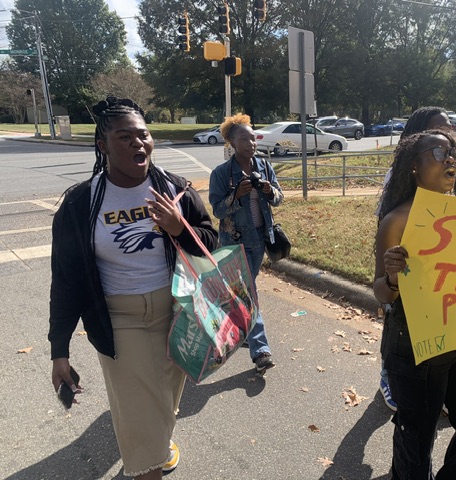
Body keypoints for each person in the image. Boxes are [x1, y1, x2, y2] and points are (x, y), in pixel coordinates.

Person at [48, 97, 218, 479]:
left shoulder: (175, 189)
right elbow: (67, 280)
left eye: (143, 135)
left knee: (165, 403)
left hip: (179, 314)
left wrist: (180, 228)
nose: (138, 144)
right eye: (124, 137)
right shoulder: (80, 203)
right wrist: (59, 349)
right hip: (120, 323)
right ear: (103, 145)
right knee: (142, 424)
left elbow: (211, 243)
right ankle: (148, 460)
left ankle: (156, 443)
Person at [374, 129, 456, 479]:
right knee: (416, 440)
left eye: (454, 155)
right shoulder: (397, 220)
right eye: (438, 153)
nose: (451, 160)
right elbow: (380, 293)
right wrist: (392, 277)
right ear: (414, 167)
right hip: (415, 343)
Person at [378, 106, 453, 412]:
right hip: (405, 291)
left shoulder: (450, 183)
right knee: (395, 322)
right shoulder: (399, 197)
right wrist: (392, 269)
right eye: (439, 131)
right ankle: (390, 373)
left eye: (450, 131)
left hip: (441, 297)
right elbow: (385, 220)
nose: (448, 137)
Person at [209, 113, 284, 373]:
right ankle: (261, 350)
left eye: (253, 138)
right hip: (234, 242)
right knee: (247, 293)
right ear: (231, 141)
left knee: (241, 293)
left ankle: (234, 328)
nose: (251, 143)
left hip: (261, 239)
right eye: (244, 138)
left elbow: (278, 198)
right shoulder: (221, 174)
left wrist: (268, 190)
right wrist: (236, 196)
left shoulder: (263, 166)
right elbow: (218, 210)